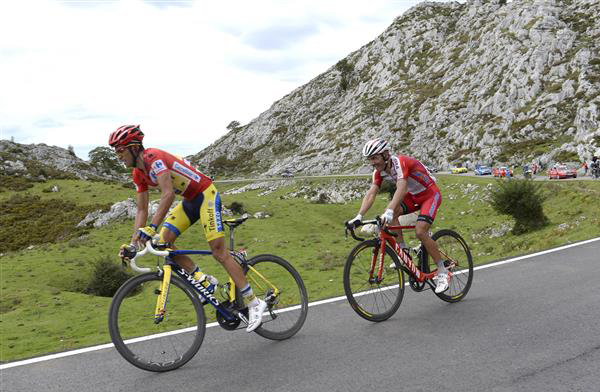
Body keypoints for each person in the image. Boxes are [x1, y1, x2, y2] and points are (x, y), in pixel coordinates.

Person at [109, 125, 266, 332]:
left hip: (206, 195)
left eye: (120, 150)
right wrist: (132, 243)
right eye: (115, 151)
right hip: (191, 201)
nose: (118, 156)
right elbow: (141, 209)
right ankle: (204, 280)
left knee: (219, 252)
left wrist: (152, 227)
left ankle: (254, 302)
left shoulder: (153, 158)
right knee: (163, 243)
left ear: (134, 147)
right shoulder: (138, 174)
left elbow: (168, 194)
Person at [346, 138, 449, 293]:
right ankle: (404, 252)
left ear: (386, 154)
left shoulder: (399, 163)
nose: (372, 163)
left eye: (374, 158)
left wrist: (389, 210)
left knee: (420, 231)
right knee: (391, 217)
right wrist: (358, 216)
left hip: (429, 194)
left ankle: (443, 272)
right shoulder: (378, 172)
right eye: (370, 159)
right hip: (413, 196)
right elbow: (371, 193)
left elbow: (401, 187)